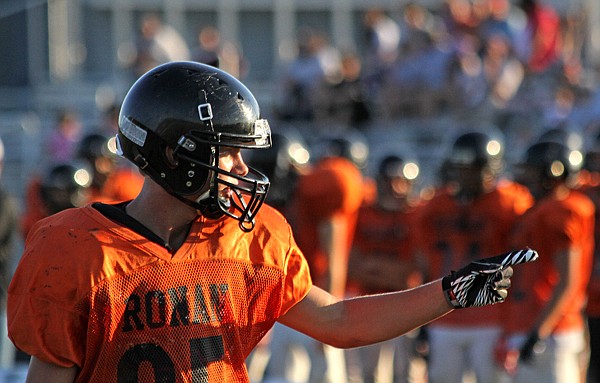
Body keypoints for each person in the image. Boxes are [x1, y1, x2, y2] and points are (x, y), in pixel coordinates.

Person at [7, 61, 536, 383]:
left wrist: (449, 291)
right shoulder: (76, 249)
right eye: (229, 155)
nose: (242, 170)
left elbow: (339, 322)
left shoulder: (248, 239)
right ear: (177, 155)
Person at [415, 130, 534, 383]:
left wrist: (514, 321)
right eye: (462, 168)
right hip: (444, 314)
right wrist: (423, 318)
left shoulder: (509, 203)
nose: (467, 175)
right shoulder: (435, 205)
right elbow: (425, 262)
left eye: (475, 168)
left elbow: (523, 265)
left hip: (491, 317)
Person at [501, 140, 593, 383]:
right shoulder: (540, 209)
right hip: (532, 323)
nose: (525, 177)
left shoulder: (562, 210)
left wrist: (539, 331)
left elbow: (568, 280)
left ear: (552, 172)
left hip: (551, 328)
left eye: (531, 170)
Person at [346, 154, 425, 383]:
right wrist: (396, 274)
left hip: (407, 305)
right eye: (389, 181)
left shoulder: (417, 217)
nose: (394, 188)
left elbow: (416, 273)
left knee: (407, 374)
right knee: (371, 374)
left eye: (401, 181)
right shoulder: (364, 214)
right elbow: (352, 268)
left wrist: (375, 268)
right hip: (370, 304)